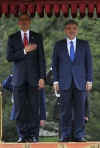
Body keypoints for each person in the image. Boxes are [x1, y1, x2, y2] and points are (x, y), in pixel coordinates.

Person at [6, 13, 46, 142]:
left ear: (30, 22)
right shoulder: (12, 38)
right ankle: (22, 135)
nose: (24, 22)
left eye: (27, 20)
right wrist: (24, 50)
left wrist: (42, 77)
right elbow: (9, 57)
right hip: (19, 79)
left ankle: (33, 135)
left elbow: (42, 59)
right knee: (20, 108)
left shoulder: (37, 37)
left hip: (34, 79)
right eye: (22, 20)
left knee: (34, 108)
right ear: (19, 22)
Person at [52, 20, 93, 142]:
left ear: (77, 30)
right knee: (65, 111)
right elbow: (55, 64)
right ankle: (65, 134)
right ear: (65, 30)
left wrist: (89, 79)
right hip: (64, 82)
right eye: (69, 28)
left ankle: (79, 135)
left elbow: (89, 64)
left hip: (80, 82)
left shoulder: (84, 44)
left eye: (74, 28)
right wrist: (55, 81)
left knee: (80, 110)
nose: (71, 30)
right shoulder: (58, 45)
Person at [2, 75, 46, 142]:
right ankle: (22, 137)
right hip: (21, 115)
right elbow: (5, 85)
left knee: (34, 140)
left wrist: (42, 117)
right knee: (22, 140)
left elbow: (42, 101)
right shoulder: (17, 81)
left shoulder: (38, 81)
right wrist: (13, 74)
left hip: (34, 115)